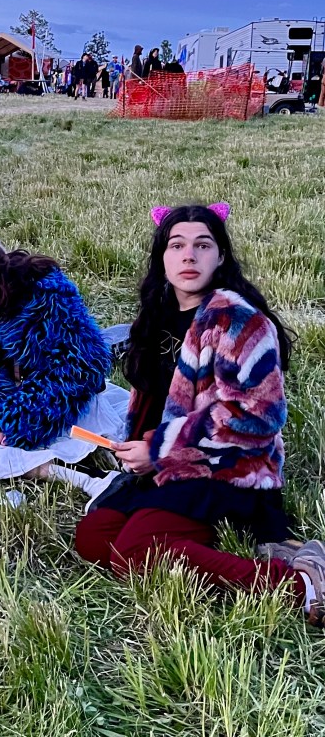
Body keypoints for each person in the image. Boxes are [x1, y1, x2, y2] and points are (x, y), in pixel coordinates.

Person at [75, 204, 325, 627]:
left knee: (135, 551)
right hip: (164, 471)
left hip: (225, 468)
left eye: (202, 245)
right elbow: (151, 400)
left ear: (221, 256)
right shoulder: (155, 316)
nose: (189, 255)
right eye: (176, 245)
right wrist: (136, 448)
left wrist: (159, 448)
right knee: (94, 538)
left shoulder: (238, 320)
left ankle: (300, 585)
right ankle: (195, 546)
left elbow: (258, 415)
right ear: (162, 257)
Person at [0, 234, 127, 502]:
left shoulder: (46, 297)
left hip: (64, 403)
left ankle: (115, 462)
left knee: (102, 423)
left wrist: (13, 422)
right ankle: (85, 477)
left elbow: (78, 370)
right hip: (15, 404)